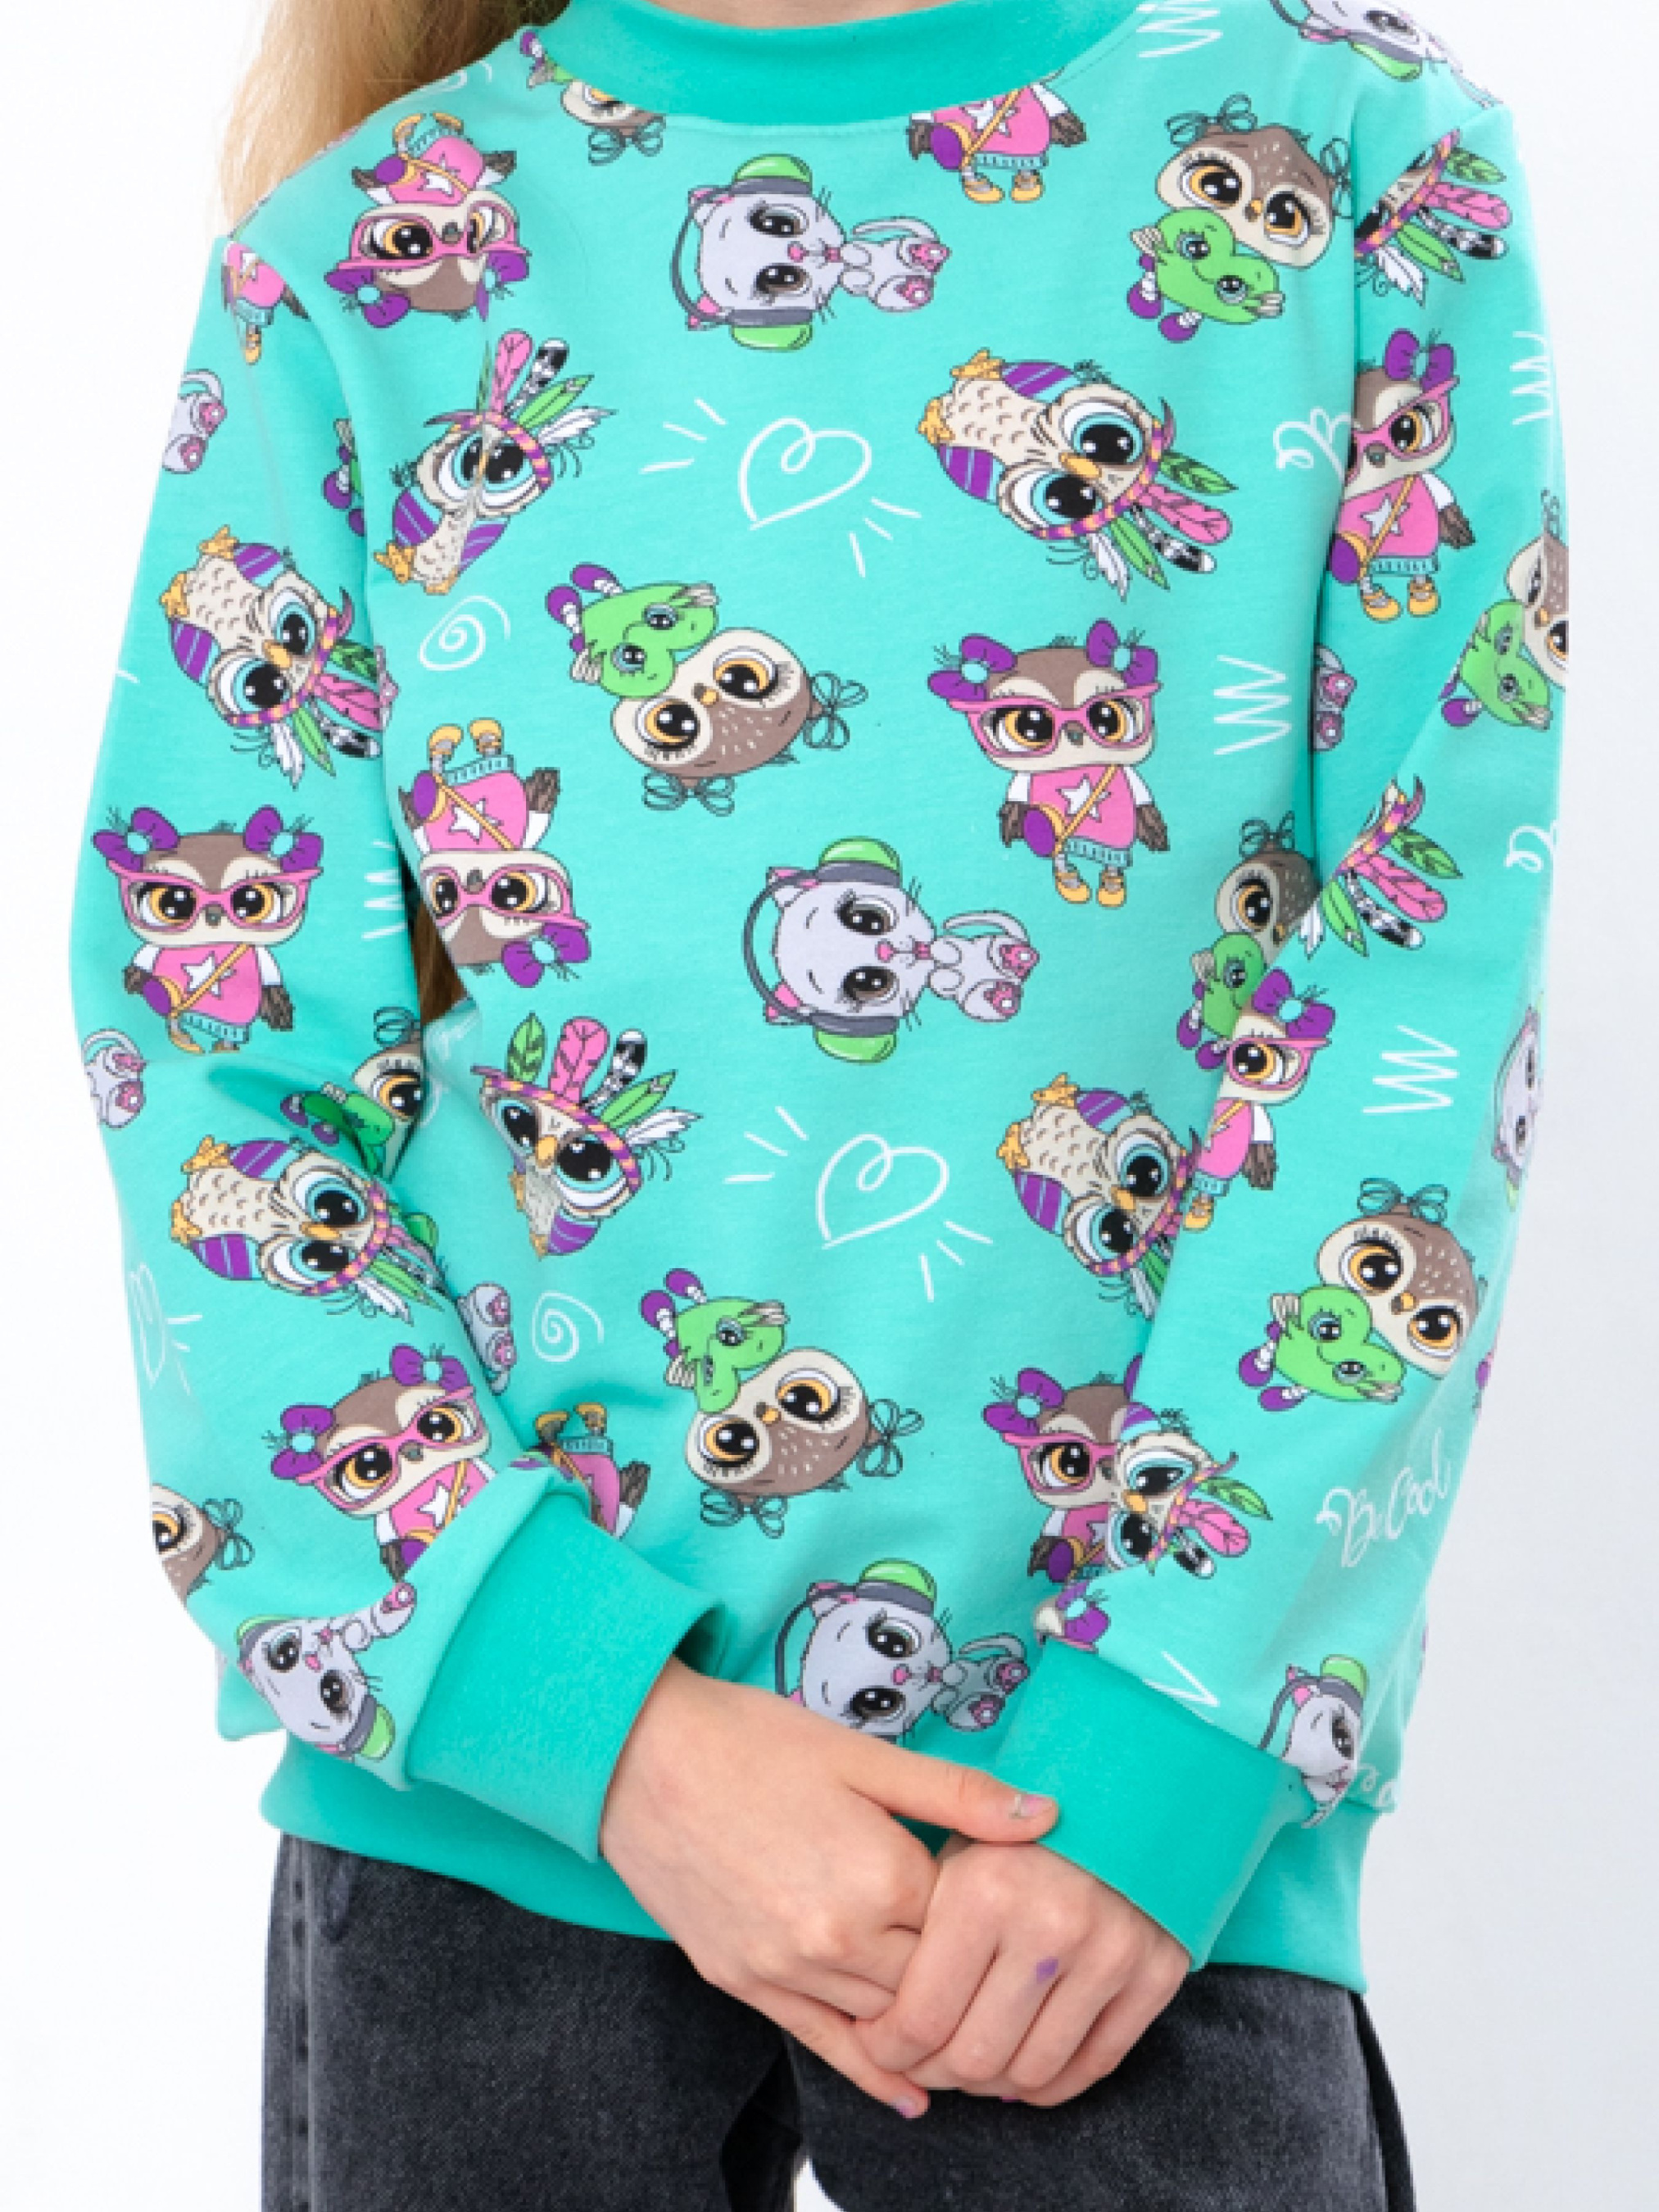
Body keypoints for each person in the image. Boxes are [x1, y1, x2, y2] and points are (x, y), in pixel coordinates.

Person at [70, 1, 1565, 2205]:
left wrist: (1164, 1742)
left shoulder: (1355, 150)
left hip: (1111, 1870)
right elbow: (214, 1059)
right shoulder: (358, 254)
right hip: (496, 1825)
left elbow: (1418, 982)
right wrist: (600, 1725)